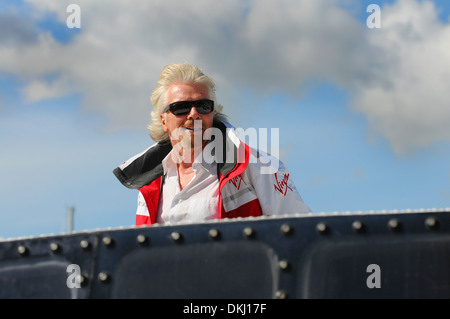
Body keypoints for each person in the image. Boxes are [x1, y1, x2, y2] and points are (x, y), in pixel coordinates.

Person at [113, 63, 311, 226]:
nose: (193, 114)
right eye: (180, 107)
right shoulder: (149, 182)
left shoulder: (261, 166)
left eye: (203, 106)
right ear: (163, 120)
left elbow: (301, 233)